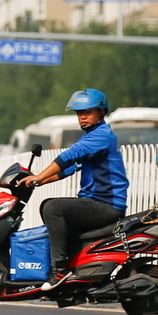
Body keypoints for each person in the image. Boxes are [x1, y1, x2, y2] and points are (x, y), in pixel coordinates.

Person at [19, 88, 129, 291]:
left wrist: (40, 175)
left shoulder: (102, 136)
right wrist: (39, 181)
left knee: (53, 208)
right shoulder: (94, 136)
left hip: (106, 205)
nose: (83, 117)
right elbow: (70, 167)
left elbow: (69, 155)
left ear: (102, 112)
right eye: (79, 113)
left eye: (88, 112)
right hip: (96, 202)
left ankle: (59, 270)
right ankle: (72, 266)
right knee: (50, 208)